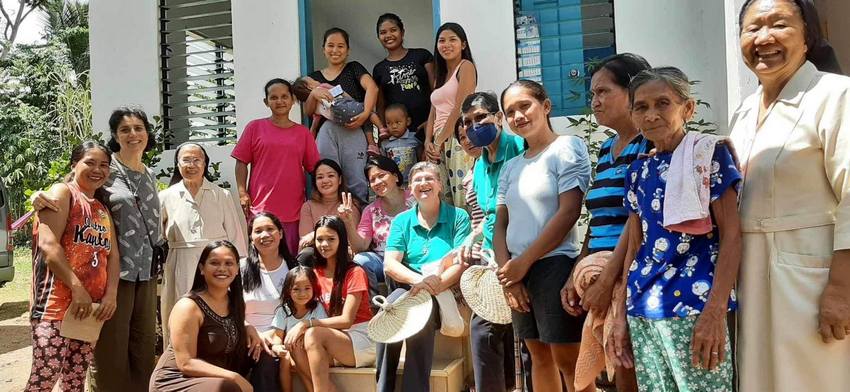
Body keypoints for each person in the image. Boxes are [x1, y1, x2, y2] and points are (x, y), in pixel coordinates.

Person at [731, 1, 850, 391]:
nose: (763, 38)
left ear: (807, 36)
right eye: (752, 28)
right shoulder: (745, 111)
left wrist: (842, 287)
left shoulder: (835, 95)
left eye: (779, 25)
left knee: (815, 378)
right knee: (758, 378)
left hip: (812, 277)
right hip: (752, 271)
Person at [603, 67, 743, 391]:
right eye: (641, 107)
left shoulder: (709, 156)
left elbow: (733, 235)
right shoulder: (638, 171)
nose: (651, 115)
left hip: (695, 307)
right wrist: (621, 315)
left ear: (687, 109)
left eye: (663, 103)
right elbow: (635, 249)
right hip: (644, 306)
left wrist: (715, 311)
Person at [30, 108, 164, 392]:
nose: (133, 135)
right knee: (111, 350)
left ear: (148, 133)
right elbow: (70, 187)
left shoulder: (149, 173)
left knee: (143, 347)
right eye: (125, 130)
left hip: (147, 272)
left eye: (138, 128)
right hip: (112, 276)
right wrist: (37, 196)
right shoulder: (106, 169)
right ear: (115, 135)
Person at [560, 52, 652, 392]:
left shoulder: (649, 144)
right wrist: (577, 271)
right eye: (592, 94)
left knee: (630, 369)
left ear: (632, 91)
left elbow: (637, 217)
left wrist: (609, 279)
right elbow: (598, 219)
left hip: (631, 276)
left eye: (603, 92)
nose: (594, 101)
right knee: (614, 372)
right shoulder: (605, 150)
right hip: (599, 275)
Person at [494, 80, 592, 392]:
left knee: (568, 359)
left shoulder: (567, 148)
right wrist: (509, 275)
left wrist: (524, 262)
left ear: (545, 106)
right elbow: (500, 225)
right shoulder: (510, 167)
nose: (518, 116)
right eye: (510, 112)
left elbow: (569, 212)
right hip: (517, 272)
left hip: (554, 266)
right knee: (537, 355)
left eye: (525, 106)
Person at [26, 141, 120, 392]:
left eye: (104, 165)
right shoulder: (63, 193)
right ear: (74, 164)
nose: (97, 169)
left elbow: (112, 256)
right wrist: (77, 288)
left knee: (75, 380)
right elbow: (48, 245)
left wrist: (110, 294)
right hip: (55, 304)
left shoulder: (101, 208)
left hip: (88, 310)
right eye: (90, 162)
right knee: (44, 377)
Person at [378, 161, 471, 392]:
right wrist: (419, 282)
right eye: (418, 180)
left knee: (421, 312)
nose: (424, 183)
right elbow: (390, 264)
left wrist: (433, 285)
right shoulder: (402, 221)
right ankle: (383, 387)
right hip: (412, 286)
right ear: (410, 188)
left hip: (446, 290)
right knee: (388, 308)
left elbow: (460, 263)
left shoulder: (458, 217)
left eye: (429, 178)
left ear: (439, 184)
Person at [457, 91, 527, 392]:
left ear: (499, 117)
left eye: (480, 118)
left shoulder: (520, 148)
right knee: (483, 332)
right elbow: (487, 216)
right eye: (468, 122)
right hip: (494, 262)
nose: (474, 126)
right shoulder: (481, 165)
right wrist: (473, 239)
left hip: (525, 256)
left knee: (527, 343)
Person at [160, 143, 247, 341]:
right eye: (186, 160)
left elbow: (235, 239)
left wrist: (237, 269)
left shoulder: (221, 195)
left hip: (217, 266)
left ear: (205, 163)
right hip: (180, 264)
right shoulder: (165, 197)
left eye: (196, 160)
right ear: (177, 164)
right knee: (180, 317)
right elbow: (158, 237)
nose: (191, 165)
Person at [284, 216, 374, 392]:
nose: (324, 244)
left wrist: (306, 324)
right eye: (319, 239)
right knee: (295, 343)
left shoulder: (354, 272)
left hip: (361, 338)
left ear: (342, 240)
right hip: (333, 337)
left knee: (312, 334)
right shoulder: (315, 273)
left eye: (331, 239)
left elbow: (347, 320)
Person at [149, 240, 253, 392]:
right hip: (176, 380)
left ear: (237, 268)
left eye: (229, 263)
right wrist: (234, 377)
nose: (222, 268)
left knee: (266, 358)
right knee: (228, 387)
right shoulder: (188, 307)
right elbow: (186, 363)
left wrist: (249, 328)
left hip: (211, 379)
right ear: (202, 268)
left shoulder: (235, 302)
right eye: (214, 263)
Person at [233, 78, 321, 254]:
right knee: (260, 261)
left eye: (284, 96)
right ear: (266, 102)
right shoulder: (254, 127)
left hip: (294, 211)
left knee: (290, 261)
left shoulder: (303, 133)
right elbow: (241, 162)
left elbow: (314, 168)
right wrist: (242, 193)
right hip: (260, 208)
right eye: (273, 97)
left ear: (292, 100)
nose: (279, 101)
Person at [304, 28, 382, 202]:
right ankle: (331, 223)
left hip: (353, 130)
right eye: (330, 45)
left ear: (348, 50)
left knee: (357, 179)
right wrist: (313, 94)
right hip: (326, 132)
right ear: (323, 48)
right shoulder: (314, 78)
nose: (335, 50)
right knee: (327, 177)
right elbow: (308, 111)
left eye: (340, 46)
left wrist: (365, 114)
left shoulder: (354, 68)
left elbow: (372, 88)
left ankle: (359, 219)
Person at [339, 155, 414, 309]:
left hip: (414, 257)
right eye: (372, 180)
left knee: (394, 263)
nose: (377, 182)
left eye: (381, 175)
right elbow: (360, 246)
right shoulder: (370, 210)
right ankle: (375, 306)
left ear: (395, 176)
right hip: (383, 261)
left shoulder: (415, 199)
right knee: (361, 259)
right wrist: (348, 221)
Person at [240, 212, 299, 390]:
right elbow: (229, 307)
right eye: (258, 231)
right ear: (251, 238)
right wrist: (251, 334)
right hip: (244, 336)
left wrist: (271, 338)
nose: (264, 235)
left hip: (277, 339)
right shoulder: (239, 268)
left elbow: (297, 311)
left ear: (280, 233)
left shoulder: (293, 269)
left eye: (270, 229)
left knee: (267, 361)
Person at [424, 22, 478, 208]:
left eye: (452, 40)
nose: (446, 45)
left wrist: (439, 141)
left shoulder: (466, 67)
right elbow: (433, 111)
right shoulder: (441, 74)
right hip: (438, 144)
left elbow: (461, 107)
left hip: (457, 138)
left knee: (463, 196)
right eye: (442, 41)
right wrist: (428, 141)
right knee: (443, 199)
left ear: (463, 44)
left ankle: (473, 236)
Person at [372, 13, 435, 141]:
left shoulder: (422, 56)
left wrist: (432, 121)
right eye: (383, 32)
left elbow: (436, 91)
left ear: (402, 32)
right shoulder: (379, 69)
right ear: (378, 37)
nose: (388, 35)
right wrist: (386, 130)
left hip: (427, 128)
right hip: (399, 137)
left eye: (393, 30)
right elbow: (380, 105)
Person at [269, 266, 328, 392]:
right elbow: (277, 337)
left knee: (298, 362)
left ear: (314, 288)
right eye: (296, 289)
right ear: (288, 291)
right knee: (285, 360)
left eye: (307, 288)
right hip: (292, 354)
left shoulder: (317, 308)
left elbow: (321, 333)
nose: (302, 294)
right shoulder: (284, 311)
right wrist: (277, 347)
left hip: (313, 354)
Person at [297, 159, 361, 258]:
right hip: (317, 254)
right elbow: (305, 241)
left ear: (339, 180)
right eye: (320, 177)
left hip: (343, 254)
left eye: (331, 176)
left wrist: (314, 235)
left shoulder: (350, 204)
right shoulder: (308, 206)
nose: (325, 180)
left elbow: (353, 242)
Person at [380, 103, 422, 185]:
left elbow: (421, 158)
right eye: (389, 123)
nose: (394, 126)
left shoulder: (415, 138)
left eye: (398, 122)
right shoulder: (385, 144)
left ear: (408, 121)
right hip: (395, 184)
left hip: (414, 182)